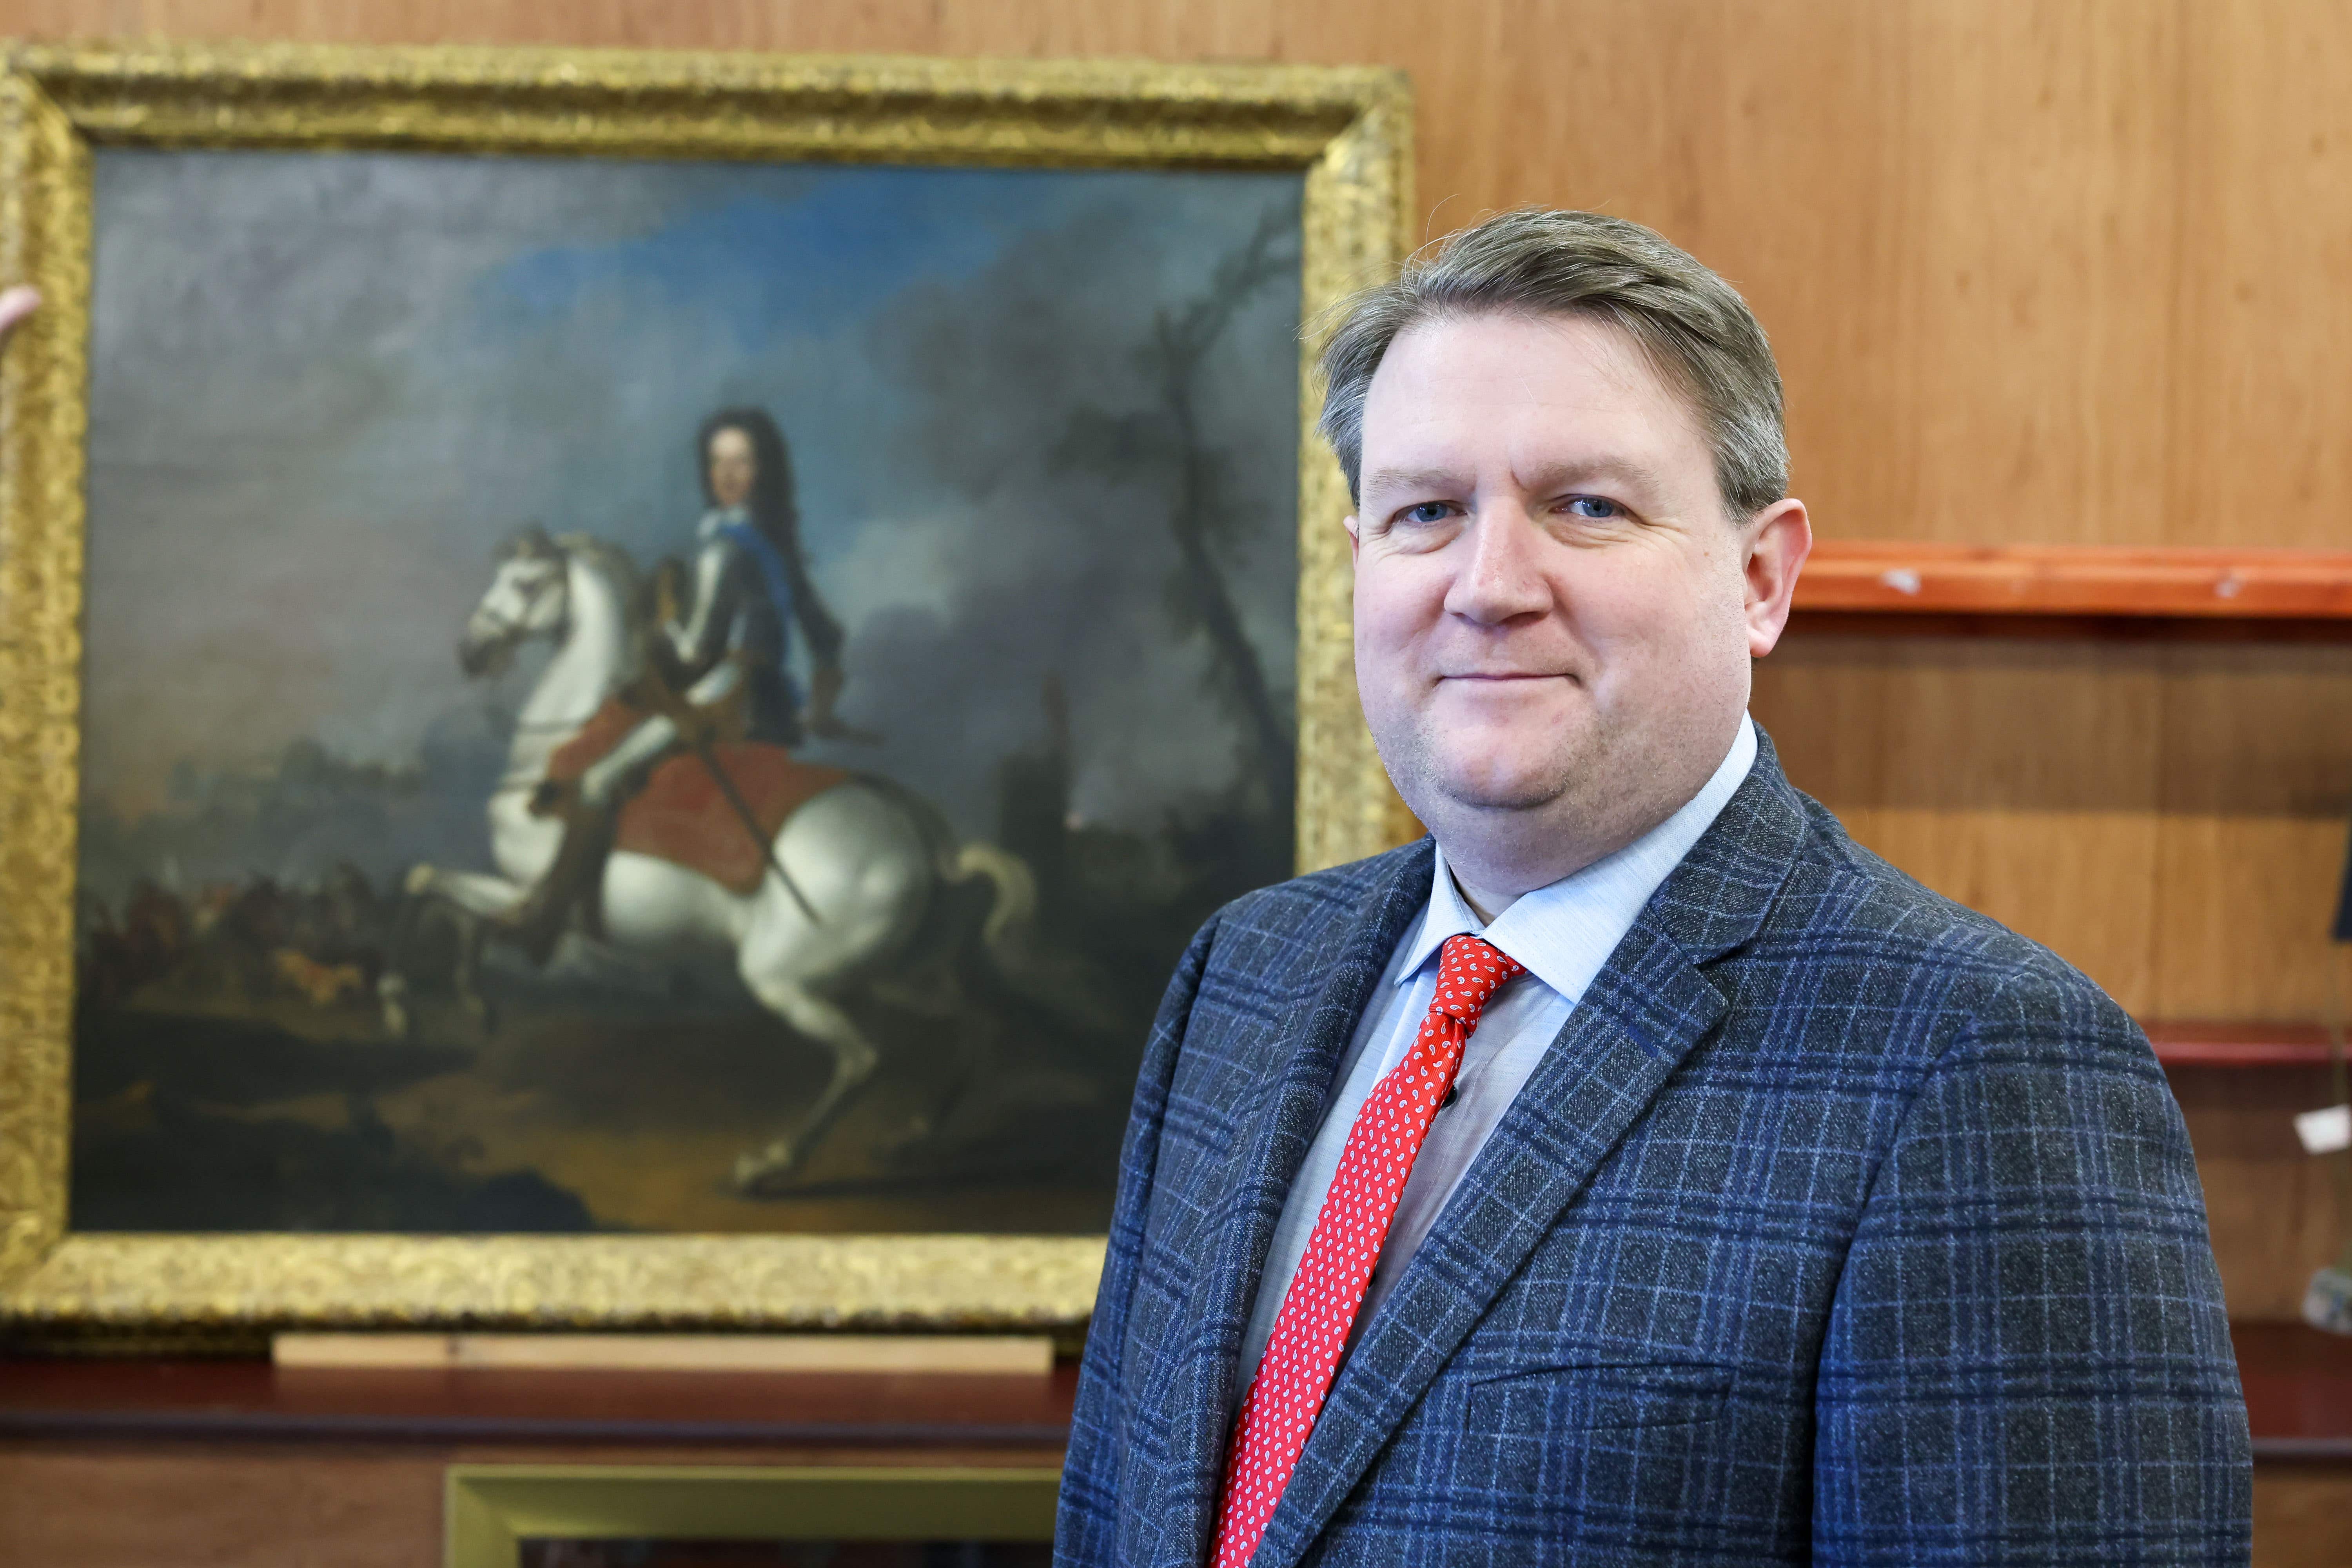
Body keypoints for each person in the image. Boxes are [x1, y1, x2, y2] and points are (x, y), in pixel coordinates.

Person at [1056, 210, 2250, 1564]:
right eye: (1426, 512)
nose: (1489, 586)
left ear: (1760, 577)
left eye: (1586, 507)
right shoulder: (1245, 975)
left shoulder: (1982, 1059)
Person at [509, 406, 852, 956]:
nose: (728, 474)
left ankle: (543, 925)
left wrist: (659, 613)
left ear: (765, 469)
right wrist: (820, 706)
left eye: (742, 461)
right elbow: (828, 636)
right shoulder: (777, 545)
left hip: (723, 706)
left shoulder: (723, 548)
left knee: (598, 782)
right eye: (718, 462)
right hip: (774, 714)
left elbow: (693, 652)